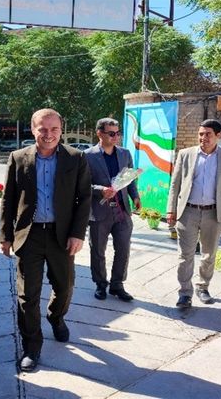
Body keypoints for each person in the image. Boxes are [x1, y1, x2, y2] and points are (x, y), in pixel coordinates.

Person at [0, 108, 91, 372]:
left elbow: (83, 198)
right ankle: (32, 346)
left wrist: (77, 233)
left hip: (62, 236)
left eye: (54, 129)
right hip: (29, 235)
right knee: (27, 295)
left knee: (64, 287)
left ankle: (56, 317)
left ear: (61, 130)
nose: (48, 134)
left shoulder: (76, 158)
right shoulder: (18, 158)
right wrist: (5, 235)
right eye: (43, 129)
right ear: (33, 129)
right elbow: (9, 200)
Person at [166, 119, 221, 309]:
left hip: (213, 214)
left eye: (208, 134)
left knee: (209, 254)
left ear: (218, 136)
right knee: (185, 255)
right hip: (187, 211)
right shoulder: (185, 154)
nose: (203, 138)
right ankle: (184, 293)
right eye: (200, 134)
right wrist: (171, 209)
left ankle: (203, 286)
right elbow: (175, 184)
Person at [84, 117, 141, 302]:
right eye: (111, 133)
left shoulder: (125, 154)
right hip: (99, 211)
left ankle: (117, 284)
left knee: (123, 249)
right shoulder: (87, 156)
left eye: (118, 133)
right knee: (98, 251)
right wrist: (100, 191)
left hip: (122, 211)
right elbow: (81, 185)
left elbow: (130, 178)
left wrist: (135, 197)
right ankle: (101, 284)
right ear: (99, 133)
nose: (116, 136)